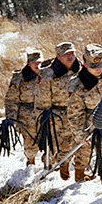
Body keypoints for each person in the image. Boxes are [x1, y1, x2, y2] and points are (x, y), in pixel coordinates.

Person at [65, 44, 102, 193]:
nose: (98, 69)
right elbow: (75, 113)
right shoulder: (77, 84)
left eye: (100, 65)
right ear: (85, 64)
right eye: (93, 66)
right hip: (96, 127)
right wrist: (80, 135)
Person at [36, 41, 80, 173]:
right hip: (56, 115)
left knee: (77, 142)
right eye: (66, 54)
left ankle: (70, 167)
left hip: (77, 112)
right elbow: (42, 98)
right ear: (58, 56)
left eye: (72, 53)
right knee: (54, 144)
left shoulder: (81, 70)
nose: (70, 57)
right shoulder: (48, 74)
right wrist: (44, 117)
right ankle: (50, 165)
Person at [3, 50, 43, 165]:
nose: (37, 65)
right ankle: (31, 162)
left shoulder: (48, 75)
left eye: (39, 62)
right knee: (30, 141)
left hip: (44, 113)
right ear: (28, 63)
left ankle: (49, 164)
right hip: (26, 116)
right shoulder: (20, 78)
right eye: (34, 62)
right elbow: (11, 100)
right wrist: (11, 118)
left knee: (50, 139)